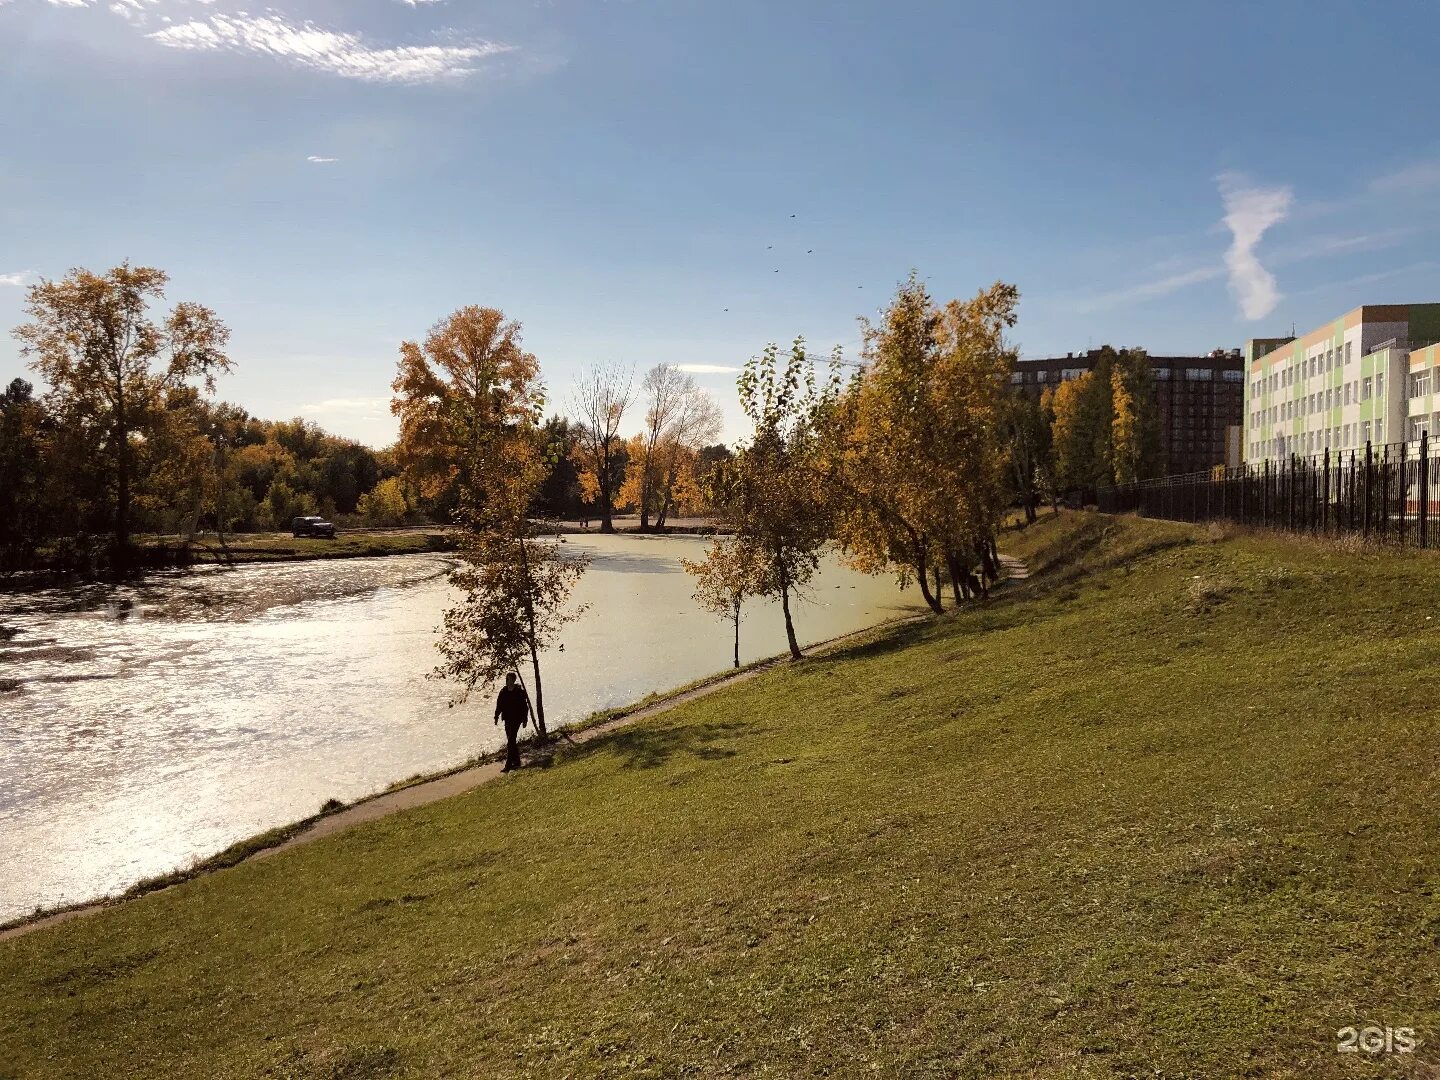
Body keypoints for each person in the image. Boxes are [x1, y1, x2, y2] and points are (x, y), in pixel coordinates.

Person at [494, 672, 533, 772]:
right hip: (507, 718)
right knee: (511, 741)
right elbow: (499, 705)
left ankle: (508, 765)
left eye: (510, 679)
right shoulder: (503, 692)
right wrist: (496, 716)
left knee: (511, 741)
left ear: (513, 680)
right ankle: (517, 762)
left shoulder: (519, 691)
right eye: (507, 679)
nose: (508, 681)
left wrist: (525, 719)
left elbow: (525, 707)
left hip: (517, 719)